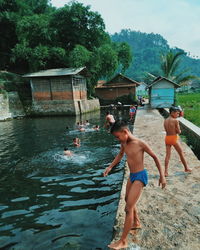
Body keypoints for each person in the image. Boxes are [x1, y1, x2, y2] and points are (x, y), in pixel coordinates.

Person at [103, 120, 166, 249]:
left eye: (117, 136)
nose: (118, 139)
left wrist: (162, 176)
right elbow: (120, 155)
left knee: (128, 208)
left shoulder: (140, 143)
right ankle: (136, 222)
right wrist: (110, 167)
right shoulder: (124, 143)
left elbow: (155, 157)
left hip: (140, 176)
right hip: (132, 176)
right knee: (127, 200)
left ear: (125, 132)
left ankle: (123, 241)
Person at [164, 106, 192, 176]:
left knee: (167, 155)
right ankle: (186, 168)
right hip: (173, 138)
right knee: (181, 153)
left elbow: (167, 130)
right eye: (177, 113)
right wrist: (179, 130)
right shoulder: (175, 120)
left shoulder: (166, 120)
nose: (178, 115)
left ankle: (165, 171)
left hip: (167, 138)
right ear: (172, 113)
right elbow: (178, 132)